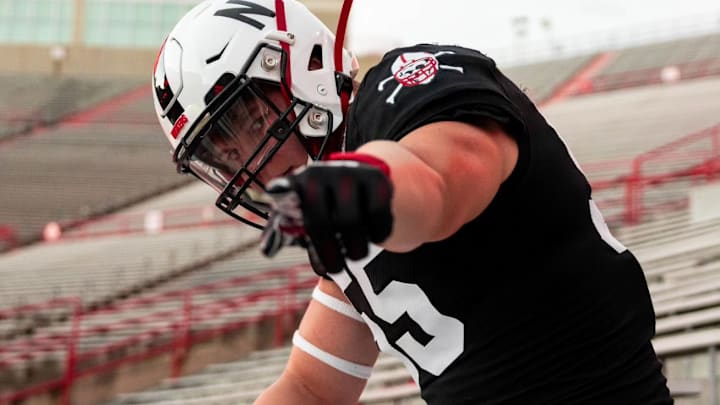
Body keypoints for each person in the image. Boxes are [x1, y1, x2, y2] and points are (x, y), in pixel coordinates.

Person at [152, 1, 673, 403]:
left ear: (300, 66)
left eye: (250, 122)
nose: (251, 162)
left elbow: (436, 182)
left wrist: (367, 188)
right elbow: (311, 387)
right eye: (223, 152)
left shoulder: (404, 91)